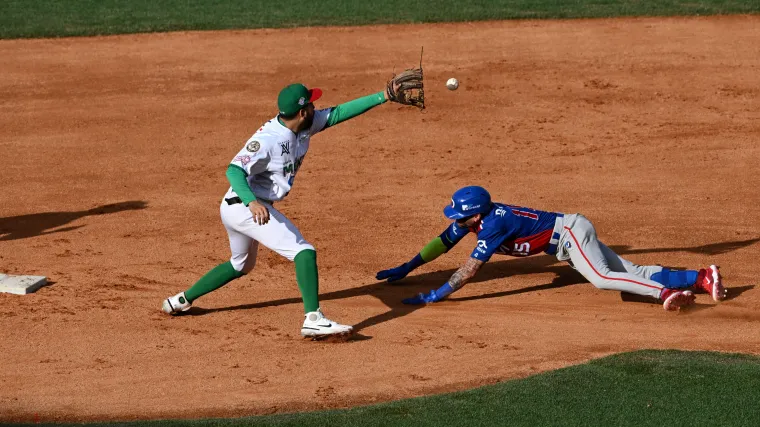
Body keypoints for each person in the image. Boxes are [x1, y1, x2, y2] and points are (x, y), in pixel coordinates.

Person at [162, 80, 409, 338]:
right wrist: (252, 202)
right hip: (245, 206)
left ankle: (180, 300)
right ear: (302, 111)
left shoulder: (303, 123)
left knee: (240, 266)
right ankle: (313, 318)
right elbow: (233, 170)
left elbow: (338, 114)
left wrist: (384, 96)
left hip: (240, 206)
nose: (316, 106)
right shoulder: (268, 140)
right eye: (311, 103)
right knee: (303, 251)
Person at [376, 186, 725, 311]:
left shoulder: (492, 225)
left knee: (604, 279)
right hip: (569, 238)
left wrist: (437, 294)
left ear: (476, 215)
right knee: (628, 273)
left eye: (460, 216)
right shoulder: (475, 221)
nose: (456, 221)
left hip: (571, 234)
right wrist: (406, 268)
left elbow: (469, 269)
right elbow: (442, 243)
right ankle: (700, 277)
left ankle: (663, 291)